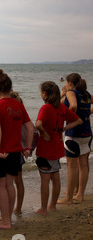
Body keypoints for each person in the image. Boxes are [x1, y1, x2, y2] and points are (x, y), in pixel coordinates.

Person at [0, 69, 34, 229]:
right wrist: (27, 147)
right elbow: (29, 126)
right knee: (9, 184)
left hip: (2, 152)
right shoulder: (17, 104)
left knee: (0, 185)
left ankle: (6, 221)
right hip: (15, 151)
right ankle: (6, 217)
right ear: (9, 87)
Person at [34, 81, 82, 215]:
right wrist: (64, 129)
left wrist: (44, 134)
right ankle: (52, 206)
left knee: (45, 179)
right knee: (55, 177)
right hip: (57, 146)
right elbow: (78, 120)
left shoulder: (45, 108)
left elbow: (38, 124)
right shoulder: (61, 107)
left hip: (45, 148)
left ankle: (43, 208)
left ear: (44, 94)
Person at [58, 74, 92, 203]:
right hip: (87, 133)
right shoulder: (86, 94)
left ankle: (68, 198)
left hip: (74, 133)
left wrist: (68, 120)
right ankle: (79, 194)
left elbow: (72, 106)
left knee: (71, 166)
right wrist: (88, 113)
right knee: (83, 164)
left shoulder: (71, 92)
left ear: (70, 83)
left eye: (66, 82)